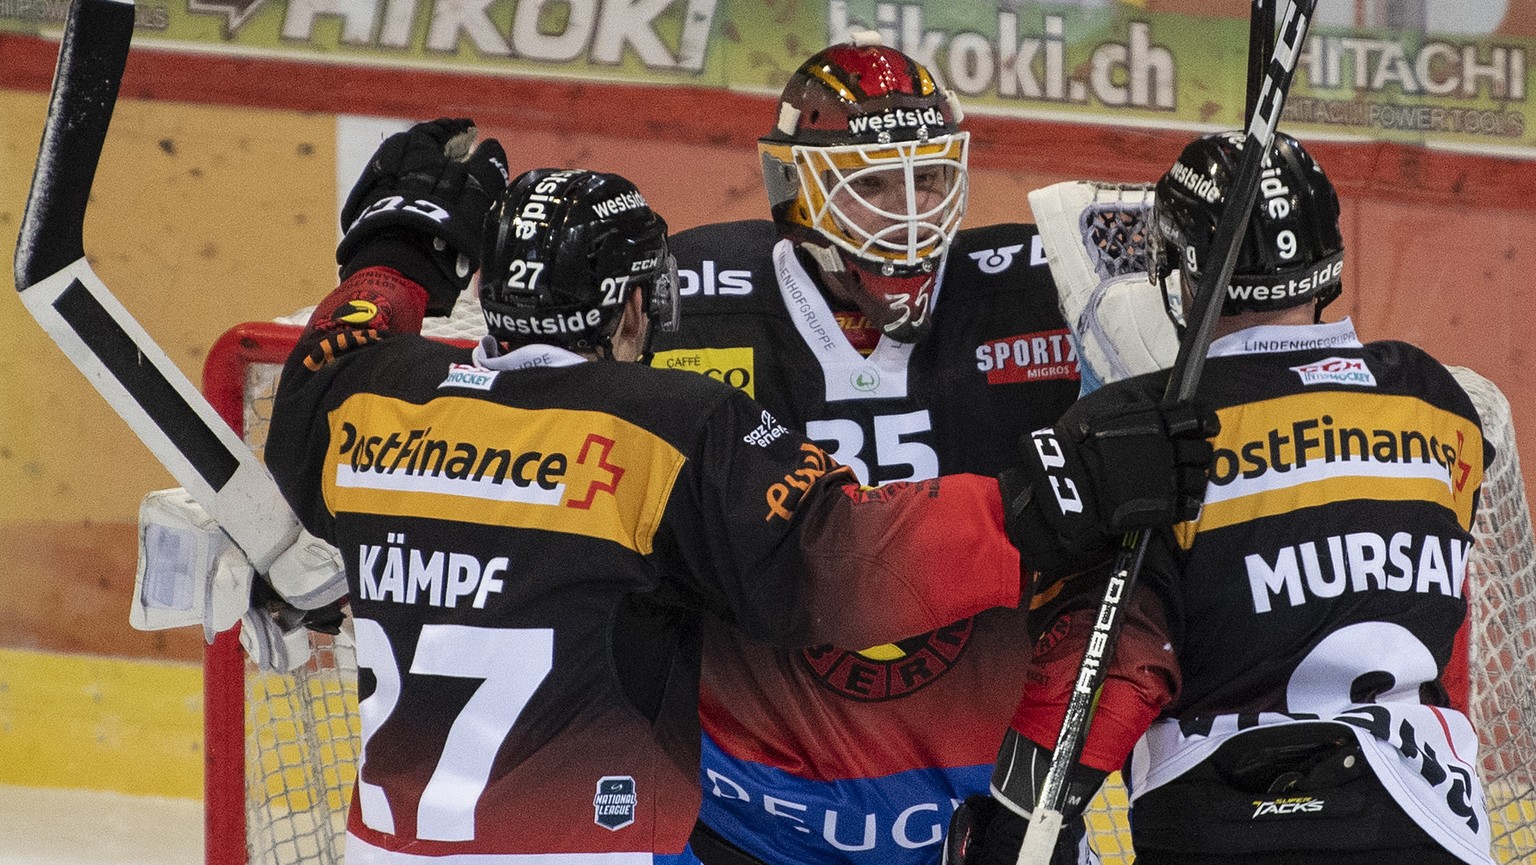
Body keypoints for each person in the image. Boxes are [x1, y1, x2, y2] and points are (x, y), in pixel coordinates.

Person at [230, 118, 1212, 864]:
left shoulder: (372, 401)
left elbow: (333, 353)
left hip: (383, 846)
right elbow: (847, 564)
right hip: (587, 847)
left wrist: (394, 254)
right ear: (631, 305)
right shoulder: (665, 423)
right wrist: (1060, 494)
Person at [946, 130, 1498, 865]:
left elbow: (1119, 663)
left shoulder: (1145, 432)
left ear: (1182, 273)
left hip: (1234, 822)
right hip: (1433, 817)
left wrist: (1017, 822)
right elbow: (1441, 620)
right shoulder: (1434, 397)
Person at [644, 31, 1094, 865]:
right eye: (875, 184)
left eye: (929, 178)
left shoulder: (1048, 293)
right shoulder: (683, 296)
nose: (911, 213)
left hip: (978, 825)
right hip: (732, 823)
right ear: (796, 190)